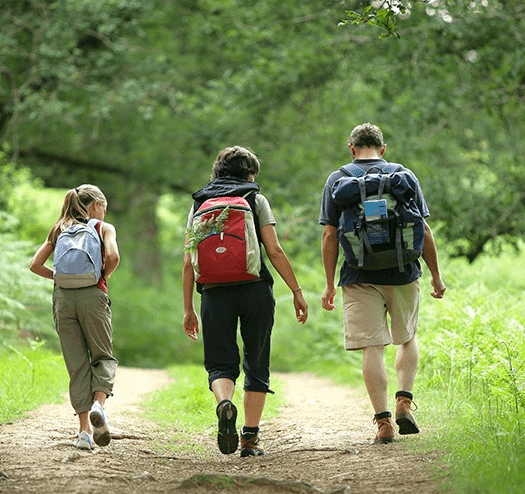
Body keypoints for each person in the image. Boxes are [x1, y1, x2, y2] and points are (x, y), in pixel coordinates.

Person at [319, 123, 446, 444]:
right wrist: (436, 275)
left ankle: (384, 423)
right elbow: (424, 229)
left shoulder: (338, 179)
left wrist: (329, 283)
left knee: (372, 347)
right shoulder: (403, 176)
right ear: (382, 148)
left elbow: (330, 234)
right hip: (404, 271)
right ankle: (404, 401)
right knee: (406, 337)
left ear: (351, 148)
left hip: (358, 275)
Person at [182, 146, 309, 458]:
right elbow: (275, 250)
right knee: (257, 360)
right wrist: (296, 290)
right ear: (250, 173)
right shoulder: (255, 199)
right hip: (255, 289)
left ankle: (225, 403)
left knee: (219, 362)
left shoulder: (200, 203)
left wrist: (188, 309)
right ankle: (249, 439)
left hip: (213, 292)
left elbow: (188, 262)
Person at [29, 184, 121, 451]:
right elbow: (113, 256)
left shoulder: (59, 229)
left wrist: (59, 277)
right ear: (95, 206)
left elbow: (35, 265)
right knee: (103, 356)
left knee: (77, 364)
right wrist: (102, 277)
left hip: (63, 300)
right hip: (93, 296)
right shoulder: (103, 228)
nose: (104, 212)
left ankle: (83, 433)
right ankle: (98, 405)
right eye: (103, 208)